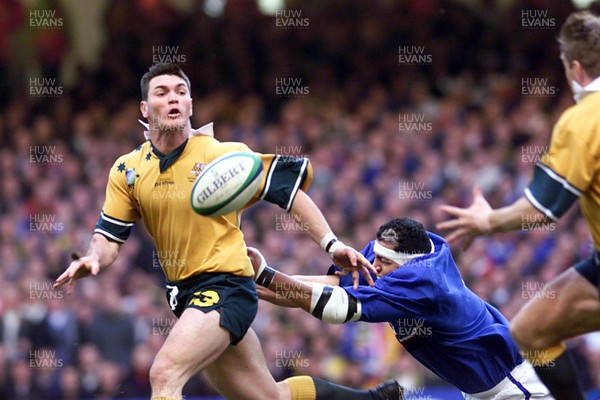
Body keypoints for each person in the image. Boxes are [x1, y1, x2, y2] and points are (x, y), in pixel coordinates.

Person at [53, 62, 399, 400]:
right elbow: (110, 236)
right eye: (162, 92)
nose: (173, 98)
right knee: (268, 397)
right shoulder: (127, 169)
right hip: (185, 295)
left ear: (190, 105)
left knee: (164, 374)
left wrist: (331, 244)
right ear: (145, 108)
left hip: (226, 285)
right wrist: (93, 258)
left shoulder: (223, 157)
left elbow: (290, 193)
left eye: (181, 92)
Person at [436, 10, 600, 400]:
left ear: (575, 68)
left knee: (530, 333)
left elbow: (541, 210)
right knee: (531, 330)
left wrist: (487, 221)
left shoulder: (582, 122)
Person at [248, 217, 553, 400]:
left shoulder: (423, 281)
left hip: (515, 389)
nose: (375, 267)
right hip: (477, 391)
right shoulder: (391, 252)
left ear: (406, 264)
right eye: (375, 258)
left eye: (384, 264)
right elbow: (330, 285)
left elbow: (336, 307)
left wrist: (266, 276)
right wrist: (253, 282)